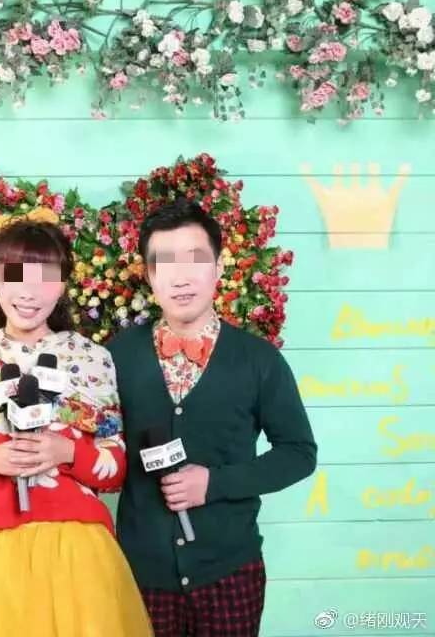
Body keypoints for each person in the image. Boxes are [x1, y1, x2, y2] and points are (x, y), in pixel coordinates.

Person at [0, 217, 153, 637]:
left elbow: (115, 470)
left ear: (63, 284)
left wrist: (67, 452)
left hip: (78, 557)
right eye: (14, 275)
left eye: (44, 277)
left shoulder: (93, 359)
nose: (28, 292)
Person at [107, 197, 317, 637]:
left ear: (219, 267)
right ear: (149, 275)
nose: (181, 277)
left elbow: (299, 453)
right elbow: (98, 447)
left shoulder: (258, 360)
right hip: (141, 574)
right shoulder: (115, 357)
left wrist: (214, 483)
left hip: (230, 572)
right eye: (164, 262)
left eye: (195, 260)